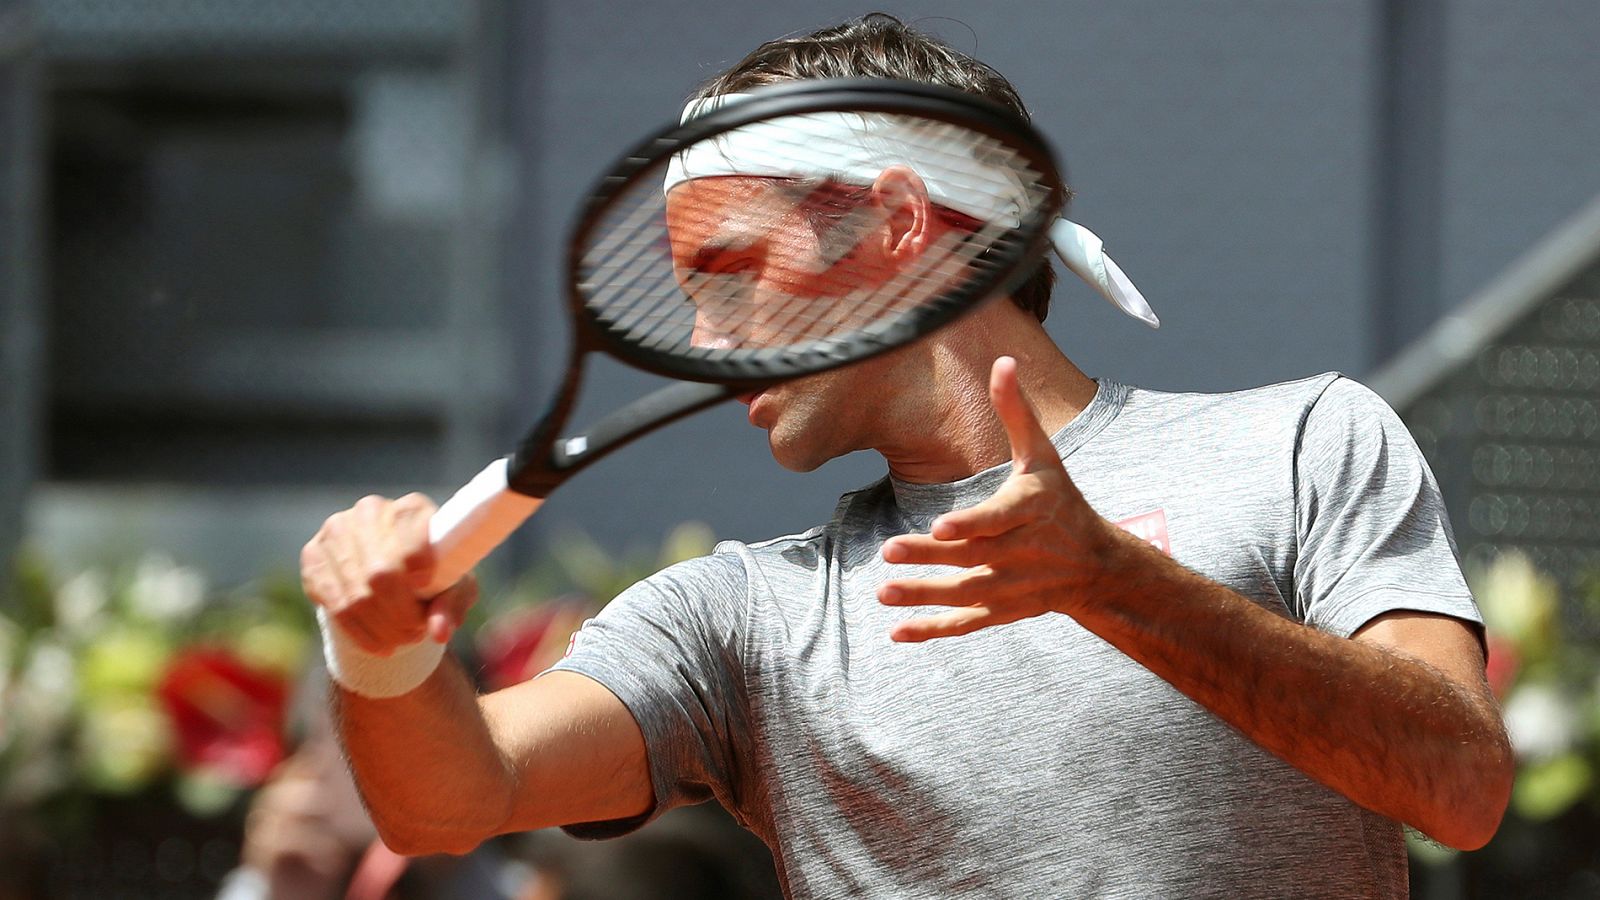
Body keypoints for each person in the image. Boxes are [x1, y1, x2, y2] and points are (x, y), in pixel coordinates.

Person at [299, 14, 1512, 898]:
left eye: (729, 274)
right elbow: (448, 799)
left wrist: (1117, 583)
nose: (705, 347)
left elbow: (1458, 784)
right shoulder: (741, 617)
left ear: (896, 222)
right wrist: (380, 649)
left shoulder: (1303, 442)